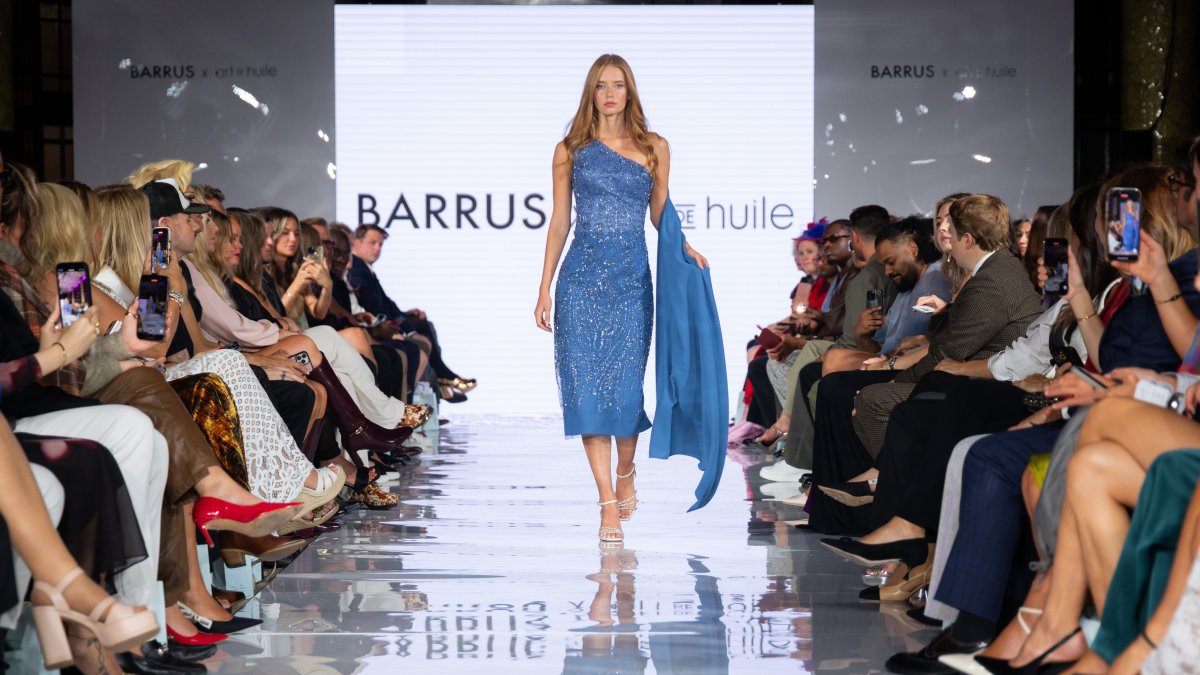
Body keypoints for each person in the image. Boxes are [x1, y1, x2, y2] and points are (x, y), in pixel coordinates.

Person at [533, 54, 709, 543]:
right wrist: (544, 287)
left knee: (626, 392)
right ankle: (607, 503)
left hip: (630, 282)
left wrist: (683, 245)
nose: (610, 93)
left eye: (619, 85)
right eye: (601, 85)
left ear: (630, 91)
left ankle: (627, 470)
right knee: (588, 395)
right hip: (580, 282)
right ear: (591, 92)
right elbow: (560, 222)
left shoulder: (655, 147)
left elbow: (660, 214)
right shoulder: (570, 149)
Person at [347, 222, 475, 400]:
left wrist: (406, 317)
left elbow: (385, 303)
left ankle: (442, 382)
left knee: (423, 325)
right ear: (356, 243)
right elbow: (373, 308)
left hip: (381, 323)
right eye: (372, 243)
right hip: (375, 328)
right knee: (420, 338)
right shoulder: (357, 270)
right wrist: (400, 329)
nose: (377, 248)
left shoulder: (364, 269)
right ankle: (439, 383)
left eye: (380, 244)